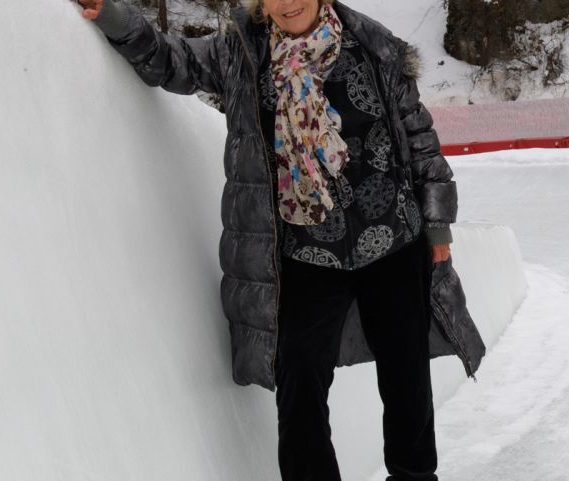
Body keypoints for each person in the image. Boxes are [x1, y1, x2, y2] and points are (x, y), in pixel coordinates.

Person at [76, 0, 486, 479]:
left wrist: (437, 227)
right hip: (307, 253)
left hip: (393, 243)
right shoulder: (242, 54)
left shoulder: (375, 47)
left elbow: (420, 139)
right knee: (299, 383)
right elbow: (172, 62)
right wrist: (112, 15)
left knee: (407, 378)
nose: (288, 3)